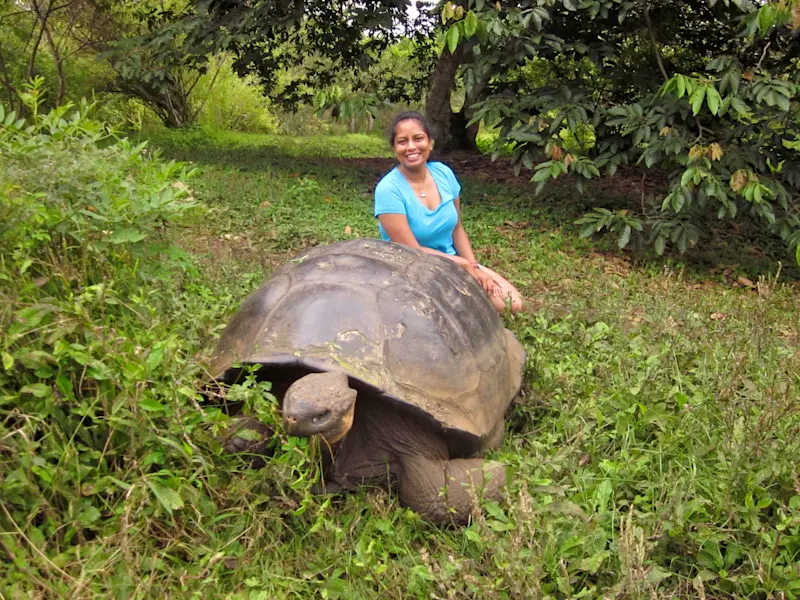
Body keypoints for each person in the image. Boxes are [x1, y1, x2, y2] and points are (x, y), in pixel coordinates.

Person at [373, 111, 523, 313]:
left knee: (512, 303)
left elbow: (457, 229)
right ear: (394, 148)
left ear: (430, 143)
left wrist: (473, 266)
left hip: (451, 260)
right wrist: (461, 265)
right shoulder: (388, 190)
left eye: (418, 138)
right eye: (402, 141)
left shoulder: (443, 173)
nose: (411, 147)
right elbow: (410, 250)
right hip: (410, 267)